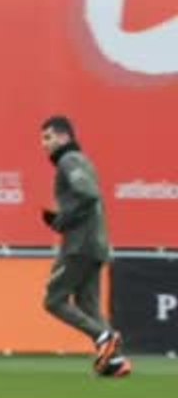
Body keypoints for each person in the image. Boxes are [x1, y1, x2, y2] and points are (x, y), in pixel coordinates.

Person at [38, 116, 129, 378]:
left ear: (64, 137)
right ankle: (115, 361)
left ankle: (104, 337)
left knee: (54, 300)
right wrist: (61, 219)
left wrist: (62, 220)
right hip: (95, 243)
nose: (44, 144)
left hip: (80, 245)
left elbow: (88, 194)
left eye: (48, 137)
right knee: (88, 304)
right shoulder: (81, 160)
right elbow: (88, 198)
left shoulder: (69, 160)